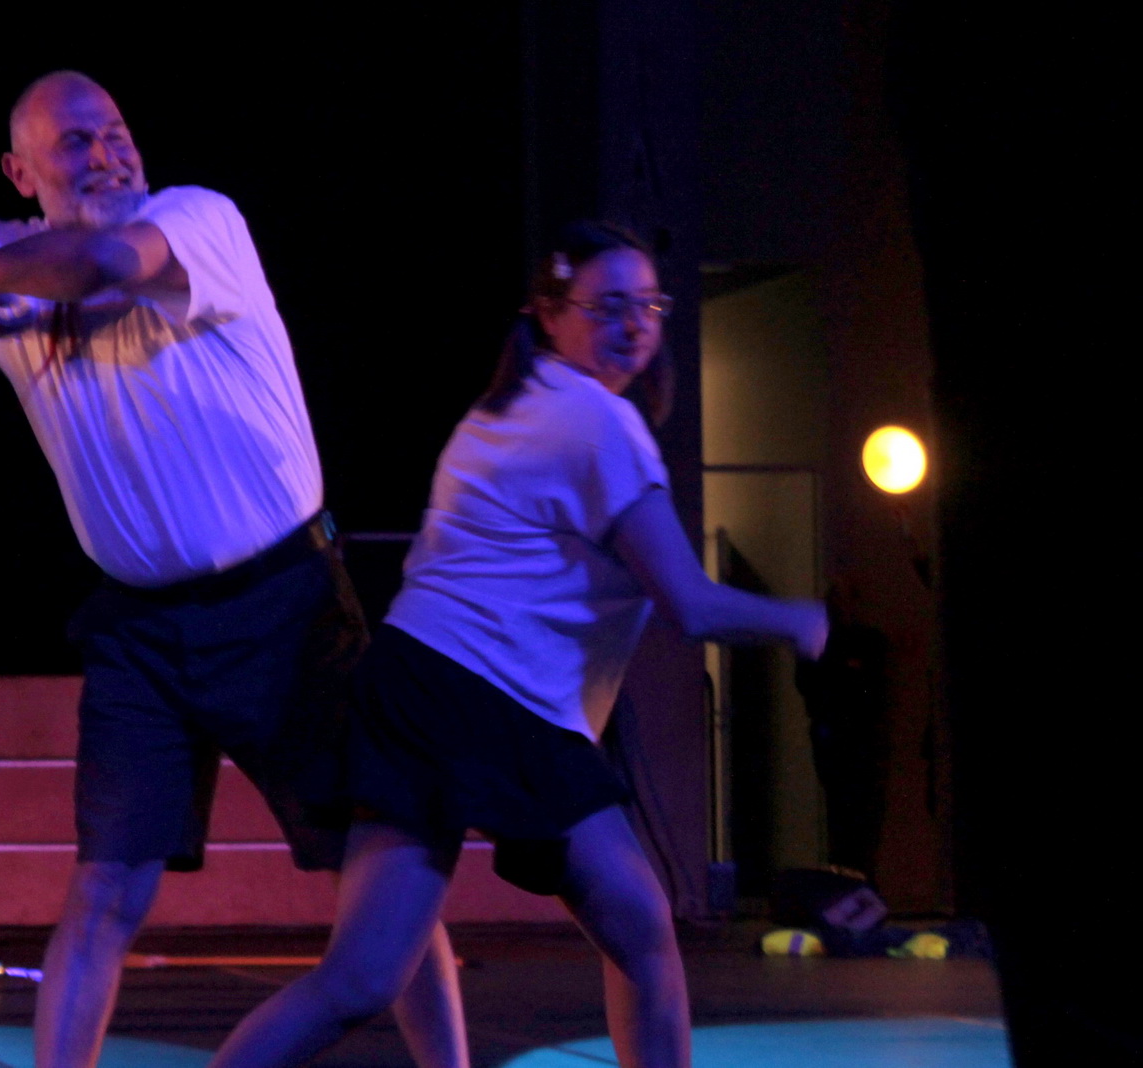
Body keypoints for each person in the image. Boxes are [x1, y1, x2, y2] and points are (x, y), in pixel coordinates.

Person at [0, 70, 465, 1068]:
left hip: (285, 606)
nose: (106, 154)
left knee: (372, 869)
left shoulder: (196, 218)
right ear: (20, 171)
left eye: (114, 132)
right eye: (75, 142)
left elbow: (102, 259)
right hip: (141, 631)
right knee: (106, 889)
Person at [209, 221, 829, 1068]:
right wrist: (805, 621)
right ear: (549, 312)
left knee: (360, 980)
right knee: (643, 937)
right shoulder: (598, 422)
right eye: (608, 306)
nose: (634, 324)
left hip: (418, 686)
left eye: (649, 305)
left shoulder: (514, 402)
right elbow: (691, 605)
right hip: (496, 701)